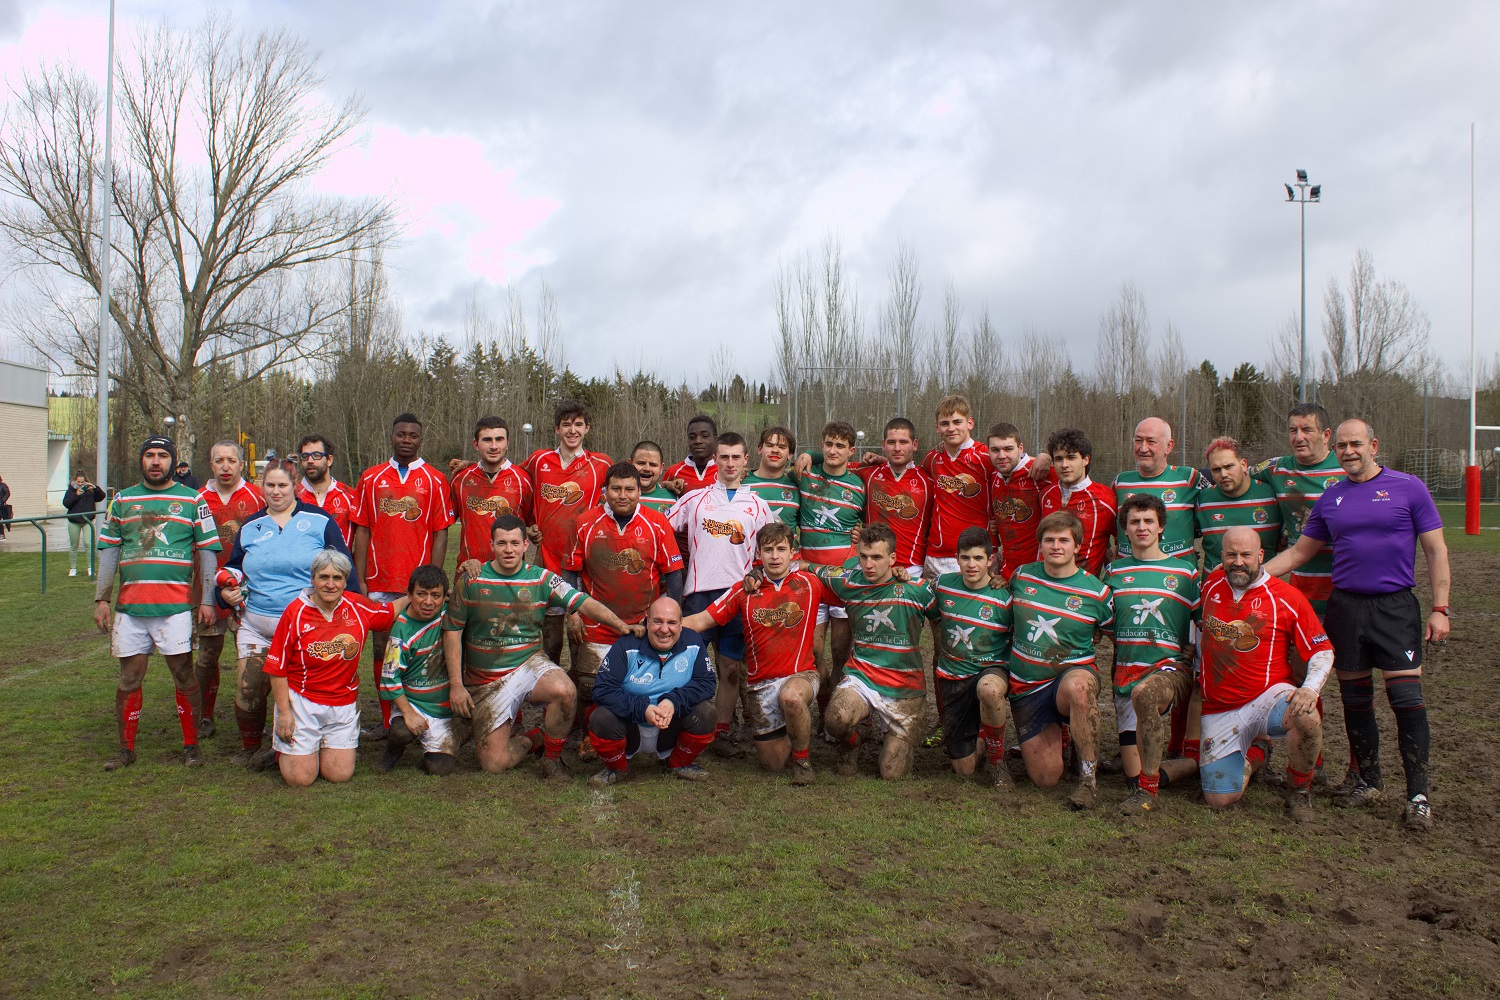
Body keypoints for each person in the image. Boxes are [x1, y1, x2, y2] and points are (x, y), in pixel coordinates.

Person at [1263, 419, 1451, 830]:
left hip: (1395, 608)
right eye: (1343, 445)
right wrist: (1251, 576)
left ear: (1373, 445)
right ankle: (1368, 779)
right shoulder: (1331, 499)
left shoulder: (1408, 487)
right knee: (1356, 700)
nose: (1348, 450)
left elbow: (1435, 550)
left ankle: (1418, 795)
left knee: (1406, 700)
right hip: (1345, 608)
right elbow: (1298, 554)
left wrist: (1441, 607)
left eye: (1356, 443)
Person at [443, 515, 641, 778]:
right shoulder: (472, 580)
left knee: (565, 690)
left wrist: (620, 625)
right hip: (485, 681)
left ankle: (551, 759)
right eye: (502, 543)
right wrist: (457, 685)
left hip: (528, 664)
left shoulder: (542, 578)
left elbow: (582, 601)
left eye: (515, 543)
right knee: (494, 764)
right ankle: (532, 739)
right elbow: (452, 631)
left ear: (526, 545)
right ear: (491, 545)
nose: (508, 550)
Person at [215, 463, 360, 769]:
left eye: (282, 486)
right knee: (248, 688)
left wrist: (353, 610)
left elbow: (344, 566)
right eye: (270, 486)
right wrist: (224, 595)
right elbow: (233, 568)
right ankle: (250, 747)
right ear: (261, 487)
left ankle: (306, 743)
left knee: (302, 692)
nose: (276, 492)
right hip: (258, 625)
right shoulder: (250, 527)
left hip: (306, 627)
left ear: (294, 485)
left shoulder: (319, 520)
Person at [92, 436, 221, 770]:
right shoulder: (122, 500)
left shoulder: (194, 500)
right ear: (142, 460)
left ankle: (191, 746)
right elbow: (109, 550)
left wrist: (206, 600)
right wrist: (102, 598)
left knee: (183, 674)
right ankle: (125, 750)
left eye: (163, 455)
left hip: (176, 607)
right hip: (130, 608)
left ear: (172, 462)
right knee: (130, 677)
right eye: (149, 455)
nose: (155, 461)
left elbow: (207, 554)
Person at [1199, 527, 1332, 821]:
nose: (1238, 562)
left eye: (1246, 554)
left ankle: (1298, 791)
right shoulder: (1210, 585)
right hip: (1219, 706)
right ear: (1221, 557)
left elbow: (1322, 650)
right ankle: (1258, 752)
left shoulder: (1286, 597)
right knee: (1220, 800)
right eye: (1231, 554)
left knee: (1306, 715)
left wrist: (1309, 689)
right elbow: (1199, 628)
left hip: (1267, 699)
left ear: (1260, 556)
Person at [682, 522, 824, 784]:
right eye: (768, 549)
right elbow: (702, 620)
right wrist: (659, 627)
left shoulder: (811, 584)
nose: (775, 556)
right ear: (758, 553)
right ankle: (792, 730)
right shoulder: (744, 590)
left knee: (792, 698)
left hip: (801, 675)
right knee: (772, 764)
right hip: (760, 687)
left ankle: (803, 761)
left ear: (793, 552)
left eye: (782, 549)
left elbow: (851, 583)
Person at [563, 462, 684, 754]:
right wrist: (573, 613)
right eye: (615, 488)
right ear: (605, 490)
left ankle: (650, 734)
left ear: (639, 491)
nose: (622, 494)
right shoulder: (585, 523)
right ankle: (590, 735)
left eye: (630, 489)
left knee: (644, 683)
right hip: (597, 624)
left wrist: (672, 617)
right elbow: (570, 572)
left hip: (645, 624)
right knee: (590, 685)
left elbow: (674, 574)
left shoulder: (657, 523)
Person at [668, 432, 775, 755]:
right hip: (699, 594)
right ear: (715, 460)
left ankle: (721, 733)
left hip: (738, 596)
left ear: (746, 461)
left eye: (735, 457)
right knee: (686, 664)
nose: (729, 463)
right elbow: (661, 531)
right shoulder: (694, 499)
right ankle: (682, 727)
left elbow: (769, 551)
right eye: (723, 457)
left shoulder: (758, 505)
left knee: (729, 669)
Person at [263, 549, 406, 786]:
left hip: (343, 702)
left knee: (339, 775)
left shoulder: (357, 606)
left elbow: (389, 611)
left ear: (345, 580)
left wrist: (416, 594)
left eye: (337, 578)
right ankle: (288, 749)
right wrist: (285, 713)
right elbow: (277, 668)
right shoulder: (295, 613)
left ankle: (313, 746)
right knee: (300, 778)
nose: (330, 584)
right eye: (323, 577)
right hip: (302, 703)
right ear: (313, 579)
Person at [809, 523, 938, 780]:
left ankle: (898, 736)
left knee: (892, 773)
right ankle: (853, 743)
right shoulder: (848, 581)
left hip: (905, 687)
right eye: (864, 557)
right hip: (863, 677)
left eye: (877, 557)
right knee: (836, 719)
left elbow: (941, 619)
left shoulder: (918, 590)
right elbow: (808, 567)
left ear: (892, 559)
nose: (869, 564)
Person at [351, 413, 454, 735]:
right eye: (401, 434)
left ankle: (421, 709)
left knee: (420, 648)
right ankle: (388, 719)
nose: (406, 439)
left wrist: (433, 579)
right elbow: (362, 529)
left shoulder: (435, 479)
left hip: (418, 586)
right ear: (391, 437)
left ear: (420, 439)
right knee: (382, 648)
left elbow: (440, 532)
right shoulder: (370, 478)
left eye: (413, 435)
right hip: (380, 582)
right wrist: (360, 578)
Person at [1005, 511, 1113, 808]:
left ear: (1077, 546)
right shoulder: (1021, 576)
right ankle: (1066, 737)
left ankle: (1088, 780)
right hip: (1027, 686)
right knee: (1046, 779)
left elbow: (1115, 633)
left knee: (1079, 689)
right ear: (1040, 544)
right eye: (1049, 540)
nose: (1056, 546)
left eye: (1064, 540)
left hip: (1071, 676)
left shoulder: (1097, 592)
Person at [1105, 495, 1200, 815]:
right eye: (1134, 522)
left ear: (1161, 527)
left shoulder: (1185, 573)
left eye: (1148, 521)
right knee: (1133, 773)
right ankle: (1186, 767)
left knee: (1145, 696)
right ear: (1125, 531)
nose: (1141, 527)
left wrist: (1195, 655)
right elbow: (1100, 624)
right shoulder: (1113, 572)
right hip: (1125, 671)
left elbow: (1204, 623)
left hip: (1169, 669)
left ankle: (1148, 794)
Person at [586, 597, 719, 787]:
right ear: (647, 622)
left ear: (681, 625)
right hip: (631, 726)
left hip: (670, 728)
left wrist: (672, 701)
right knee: (600, 717)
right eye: (657, 621)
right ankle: (617, 769)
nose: (664, 629)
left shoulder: (694, 642)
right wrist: (643, 709)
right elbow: (603, 690)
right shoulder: (626, 645)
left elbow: (706, 683)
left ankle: (678, 764)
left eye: (672, 623)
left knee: (707, 713)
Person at [524, 399, 613, 666]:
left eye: (578, 424)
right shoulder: (539, 460)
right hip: (547, 560)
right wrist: (529, 525)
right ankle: (550, 692)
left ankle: (578, 693)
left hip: (582, 562)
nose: (572, 430)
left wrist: (667, 482)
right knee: (551, 638)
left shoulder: (601, 464)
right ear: (556, 429)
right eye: (566, 425)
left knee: (578, 633)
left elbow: (632, 479)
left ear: (587, 428)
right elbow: (511, 478)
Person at [794, 421, 867, 723]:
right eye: (828, 444)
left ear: (851, 451)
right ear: (822, 446)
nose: (833, 450)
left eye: (840, 445)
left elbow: (871, 528)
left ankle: (836, 713)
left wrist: (860, 533)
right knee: (813, 653)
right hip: (810, 577)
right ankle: (823, 709)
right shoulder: (804, 476)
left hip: (843, 578)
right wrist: (809, 454)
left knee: (840, 652)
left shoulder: (860, 484)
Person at [195, 440, 266, 737]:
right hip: (208, 592)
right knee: (208, 654)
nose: (226, 466)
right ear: (211, 464)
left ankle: (255, 718)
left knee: (254, 659)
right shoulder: (196, 499)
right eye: (219, 460)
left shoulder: (257, 497)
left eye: (232, 460)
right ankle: (204, 717)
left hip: (247, 593)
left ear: (241, 465)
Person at [932, 527, 1014, 782]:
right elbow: (924, 606)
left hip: (990, 671)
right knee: (964, 770)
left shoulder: (1005, 596)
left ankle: (997, 761)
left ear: (990, 560)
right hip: (954, 678)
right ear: (956, 558)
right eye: (965, 557)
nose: (971, 564)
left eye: (978, 558)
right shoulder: (941, 585)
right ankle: (981, 734)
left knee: (989, 690)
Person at [376, 565, 457, 775]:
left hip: (444, 707)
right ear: (409, 594)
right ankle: (393, 749)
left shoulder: (451, 614)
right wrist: (409, 713)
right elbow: (389, 679)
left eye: (435, 595)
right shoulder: (400, 631)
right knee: (402, 732)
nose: (428, 602)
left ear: (444, 596)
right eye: (421, 594)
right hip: (414, 703)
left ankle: (434, 744)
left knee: (440, 769)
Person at [1111, 418, 1211, 557]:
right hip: (1129, 575)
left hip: (1178, 576)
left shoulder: (1189, 478)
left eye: (1151, 441)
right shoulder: (1120, 482)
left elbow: (1218, 505)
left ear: (1169, 446)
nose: (1143, 448)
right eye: (1138, 440)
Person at [920, 395, 992, 579]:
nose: (951, 428)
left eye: (957, 422)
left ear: (970, 423)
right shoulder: (932, 458)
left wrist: (1043, 458)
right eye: (944, 423)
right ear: (937, 427)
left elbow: (1018, 465)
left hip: (971, 556)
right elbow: (912, 472)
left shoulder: (986, 456)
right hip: (934, 555)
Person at [450, 416, 535, 569]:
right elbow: (444, 524)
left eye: (499, 439)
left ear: (508, 443)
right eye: (487, 440)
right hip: (469, 570)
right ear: (475, 444)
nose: (494, 446)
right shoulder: (461, 479)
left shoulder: (524, 480)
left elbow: (532, 522)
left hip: (511, 575)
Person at [858, 417, 935, 578]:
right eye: (892, 442)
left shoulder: (929, 480)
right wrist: (811, 456)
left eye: (903, 442)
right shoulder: (870, 473)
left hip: (912, 568)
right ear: (883, 445)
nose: (897, 448)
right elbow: (837, 464)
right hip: (874, 566)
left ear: (914, 445)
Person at [1038, 428, 1117, 577]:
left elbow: (1119, 545)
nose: (1064, 465)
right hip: (1045, 582)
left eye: (1071, 458)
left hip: (1082, 590)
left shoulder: (1105, 499)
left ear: (1086, 459)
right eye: (1059, 459)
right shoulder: (1046, 493)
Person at [1195, 437, 1282, 571]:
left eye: (1229, 466)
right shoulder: (1202, 500)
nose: (1223, 474)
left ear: (1243, 465)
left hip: (1262, 586)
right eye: (1216, 469)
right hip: (1216, 586)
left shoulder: (1271, 496)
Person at [987, 422, 1056, 582]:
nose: (1001, 455)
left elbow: (1073, 476)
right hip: (1006, 568)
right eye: (995, 450)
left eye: (1008, 449)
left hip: (1038, 571)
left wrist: (1047, 457)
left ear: (1021, 448)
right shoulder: (993, 477)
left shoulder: (1039, 472)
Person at [296, 433, 357, 545]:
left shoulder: (349, 496)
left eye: (316, 455)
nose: (310, 460)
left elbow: (363, 536)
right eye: (305, 456)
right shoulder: (292, 497)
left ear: (329, 460)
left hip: (340, 561)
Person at [742, 426, 800, 541]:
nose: (775, 450)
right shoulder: (741, 482)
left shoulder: (797, 486)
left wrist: (809, 455)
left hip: (787, 558)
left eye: (782, 447)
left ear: (790, 454)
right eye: (769, 445)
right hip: (751, 557)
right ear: (759, 449)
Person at [63, 471, 106, 576]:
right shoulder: (71, 490)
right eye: (78, 482)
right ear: (74, 481)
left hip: (88, 521)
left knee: (88, 544)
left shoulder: (90, 491)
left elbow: (101, 497)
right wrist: (76, 495)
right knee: (74, 545)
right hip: (74, 521)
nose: (81, 484)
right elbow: (66, 503)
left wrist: (95, 488)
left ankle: (91, 568)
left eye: (82, 482)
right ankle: (73, 568)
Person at [663, 414, 719, 495]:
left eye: (705, 436)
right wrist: (665, 485)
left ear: (716, 440)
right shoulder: (673, 472)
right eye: (692, 437)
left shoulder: (725, 470)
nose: (698, 441)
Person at [630, 441, 680, 516]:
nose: (647, 468)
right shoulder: (617, 496)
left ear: (661, 468)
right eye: (641, 463)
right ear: (629, 464)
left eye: (653, 465)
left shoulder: (674, 499)